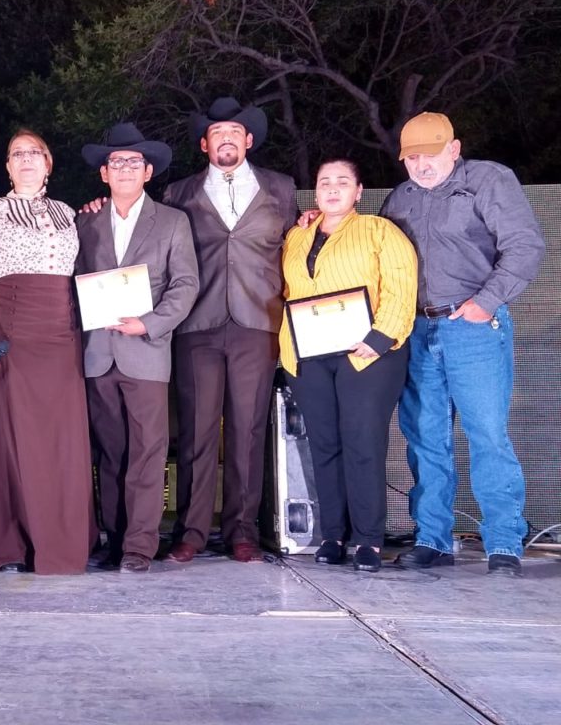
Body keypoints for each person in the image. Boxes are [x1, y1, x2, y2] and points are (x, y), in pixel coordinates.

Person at [381, 113, 545, 577]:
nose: (421, 165)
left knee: (487, 434)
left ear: (453, 149)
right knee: (425, 437)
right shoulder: (400, 198)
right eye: (412, 157)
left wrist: (485, 302)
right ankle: (432, 538)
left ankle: (504, 542)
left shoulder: (488, 181)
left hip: (472, 327)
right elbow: (375, 253)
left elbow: (525, 246)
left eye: (430, 155)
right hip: (418, 328)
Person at [0, 128, 95, 575]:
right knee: (10, 439)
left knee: (58, 440)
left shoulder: (69, 213)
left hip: (61, 335)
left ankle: (59, 541)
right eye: (17, 154)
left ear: (48, 163)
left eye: (35, 153)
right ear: (8, 166)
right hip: (10, 332)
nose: (26, 159)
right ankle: (7, 544)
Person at [162, 97, 299, 563]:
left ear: (248, 140)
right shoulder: (178, 192)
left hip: (257, 323)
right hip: (196, 324)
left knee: (248, 430)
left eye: (234, 132)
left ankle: (242, 530)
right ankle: (191, 531)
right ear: (205, 144)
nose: (226, 139)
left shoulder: (280, 188)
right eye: (217, 133)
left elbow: (295, 244)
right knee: (196, 432)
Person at [279, 159, 416, 573]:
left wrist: (380, 337)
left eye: (343, 182)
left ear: (358, 191)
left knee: (363, 443)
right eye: (325, 182)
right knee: (324, 445)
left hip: (367, 353)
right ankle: (333, 535)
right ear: (315, 192)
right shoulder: (297, 235)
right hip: (309, 355)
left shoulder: (380, 231)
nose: (333, 189)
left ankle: (368, 539)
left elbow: (400, 287)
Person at [76, 123, 198, 574]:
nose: (124, 168)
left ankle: (140, 546)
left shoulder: (172, 221)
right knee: (110, 453)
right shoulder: (84, 221)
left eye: (133, 162)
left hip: (146, 352)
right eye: (116, 162)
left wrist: (149, 323)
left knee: (148, 452)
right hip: (97, 353)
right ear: (104, 173)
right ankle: (114, 539)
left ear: (148, 171)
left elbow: (186, 285)